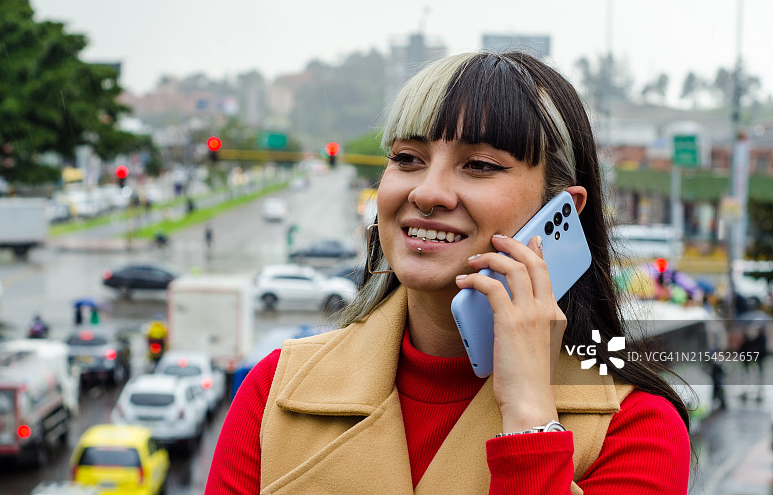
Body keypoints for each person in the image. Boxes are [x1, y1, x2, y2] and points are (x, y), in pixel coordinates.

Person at [206, 51, 691, 494]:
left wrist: (530, 417)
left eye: (478, 164)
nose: (427, 192)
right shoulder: (274, 392)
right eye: (407, 159)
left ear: (562, 210)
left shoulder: (637, 429)